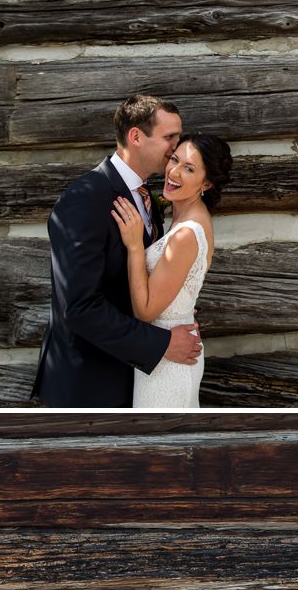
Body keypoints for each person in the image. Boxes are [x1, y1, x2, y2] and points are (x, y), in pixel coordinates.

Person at [32, 94, 202, 407]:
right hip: (90, 385)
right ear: (136, 136)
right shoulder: (85, 198)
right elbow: (79, 307)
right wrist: (161, 343)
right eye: (170, 137)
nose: (176, 147)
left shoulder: (145, 193)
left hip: (132, 378)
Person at [111, 132, 231, 409]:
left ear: (207, 183)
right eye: (174, 160)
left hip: (168, 360)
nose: (174, 172)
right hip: (165, 347)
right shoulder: (184, 217)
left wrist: (134, 246)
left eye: (189, 168)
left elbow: (146, 310)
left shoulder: (186, 234)